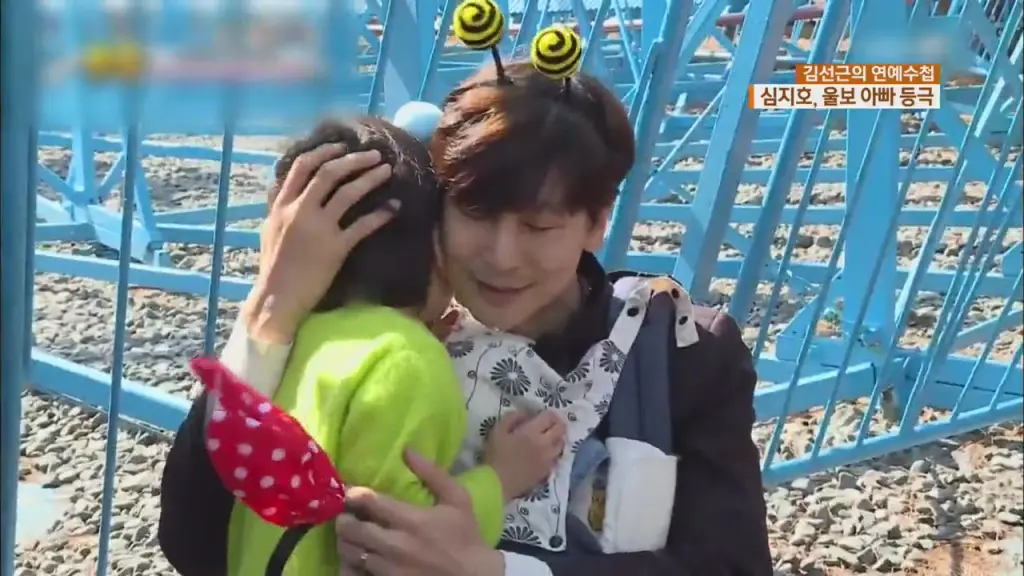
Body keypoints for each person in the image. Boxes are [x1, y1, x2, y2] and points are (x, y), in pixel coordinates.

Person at [159, 61, 772, 576]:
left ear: (596, 222)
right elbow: (197, 546)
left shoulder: (678, 353)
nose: (502, 257)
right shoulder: (381, 348)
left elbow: (731, 565)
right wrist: (270, 308)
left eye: (538, 226)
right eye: (476, 213)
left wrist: (496, 570)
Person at [185, 116, 566, 576]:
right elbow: (398, 539)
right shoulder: (404, 360)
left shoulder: (296, 337)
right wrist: (500, 480)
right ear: (436, 247)